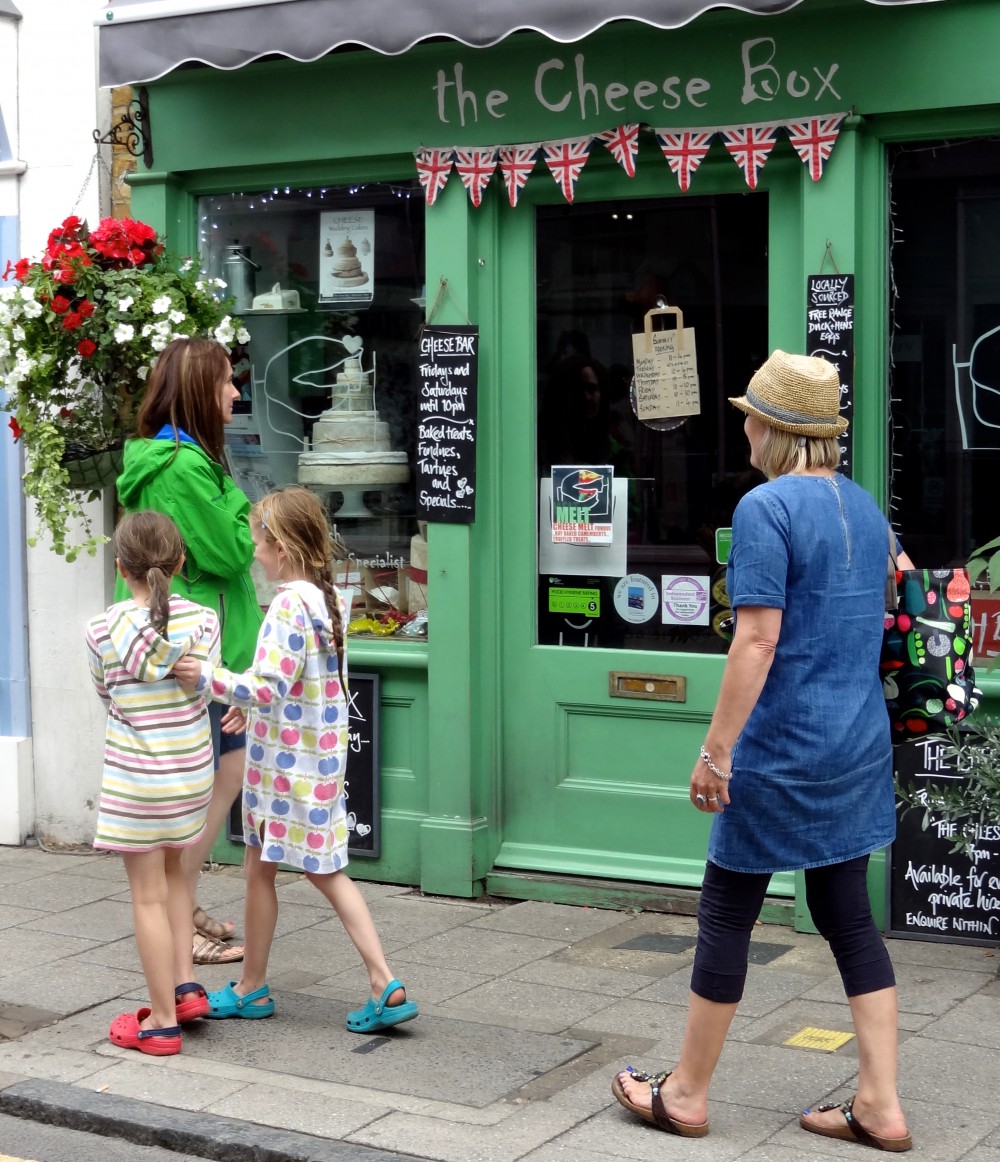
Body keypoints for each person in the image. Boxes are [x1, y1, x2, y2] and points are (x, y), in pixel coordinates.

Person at [612, 351, 914, 1152]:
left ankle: (686, 1094)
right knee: (847, 915)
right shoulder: (865, 508)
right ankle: (880, 1104)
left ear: (773, 429)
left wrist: (716, 751)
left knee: (727, 910)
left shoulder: (765, 508)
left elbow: (756, 639)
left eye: (750, 416)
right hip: (856, 744)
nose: (743, 428)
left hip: (781, 750)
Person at [173, 487, 418, 1032]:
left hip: (286, 771)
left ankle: (382, 981)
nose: (254, 554)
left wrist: (207, 678)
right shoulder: (326, 598)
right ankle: (252, 985)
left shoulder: (288, 604)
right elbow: (296, 684)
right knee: (263, 867)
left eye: (259, 543)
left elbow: (268, 684)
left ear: (281, 547)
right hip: (312, 761)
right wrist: (250, 707)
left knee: (320, 872)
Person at [116, 336, 264, 967]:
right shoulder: (183, 467)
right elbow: (234, 551)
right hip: (192, 654)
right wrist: (240, 503)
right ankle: (183, 922)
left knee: (222, 776)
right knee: (202, 791)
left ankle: (187, 902)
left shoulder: (184, 461)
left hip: (195, 650)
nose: (234, 392)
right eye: (226, 381)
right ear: (201, 390)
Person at [86, 511, 218, 1054]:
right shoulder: (204, 621)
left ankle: (161, 1022)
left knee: (147, 897)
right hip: (190, 774)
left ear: (121, 567)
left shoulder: (100, 629)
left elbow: (105, 694)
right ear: (181, 561)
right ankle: (186, 987)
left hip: (136, 780)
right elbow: (205, 689)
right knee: (177, 877)